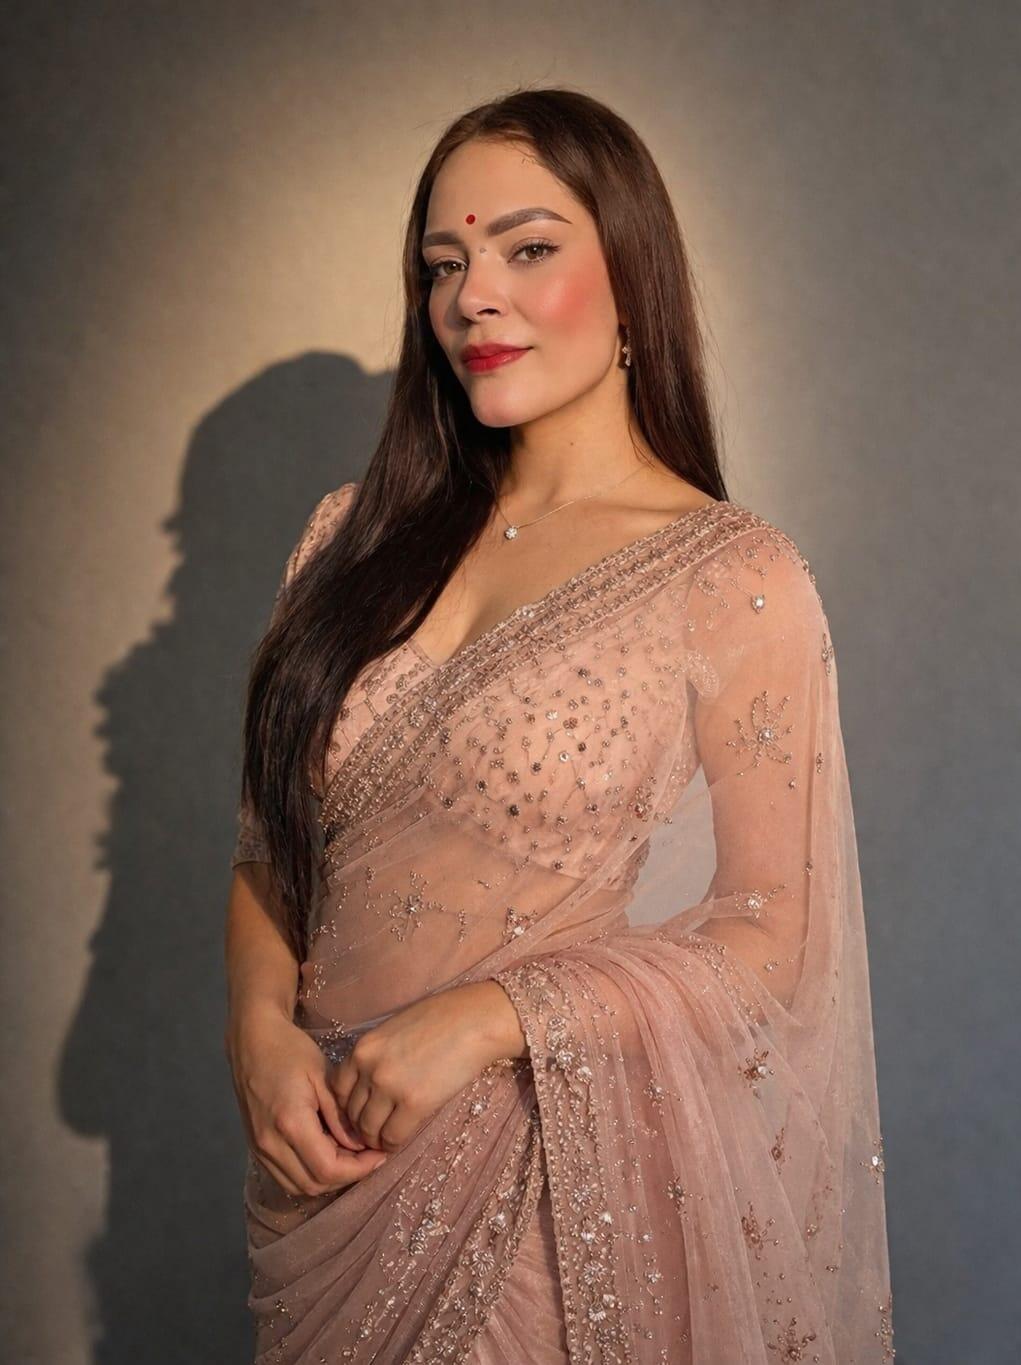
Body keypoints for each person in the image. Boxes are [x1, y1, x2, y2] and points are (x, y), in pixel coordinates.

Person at [223, 87, 894, 1363]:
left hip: (532, 1187)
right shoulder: (348, 540)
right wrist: (256, 1036)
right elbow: (271, 849)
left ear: (633, 278)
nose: (474, 296)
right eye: (444, 265)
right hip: (321, 1179)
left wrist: (492, 1017)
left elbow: (774, 935)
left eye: (528, 249)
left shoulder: (729, 575)